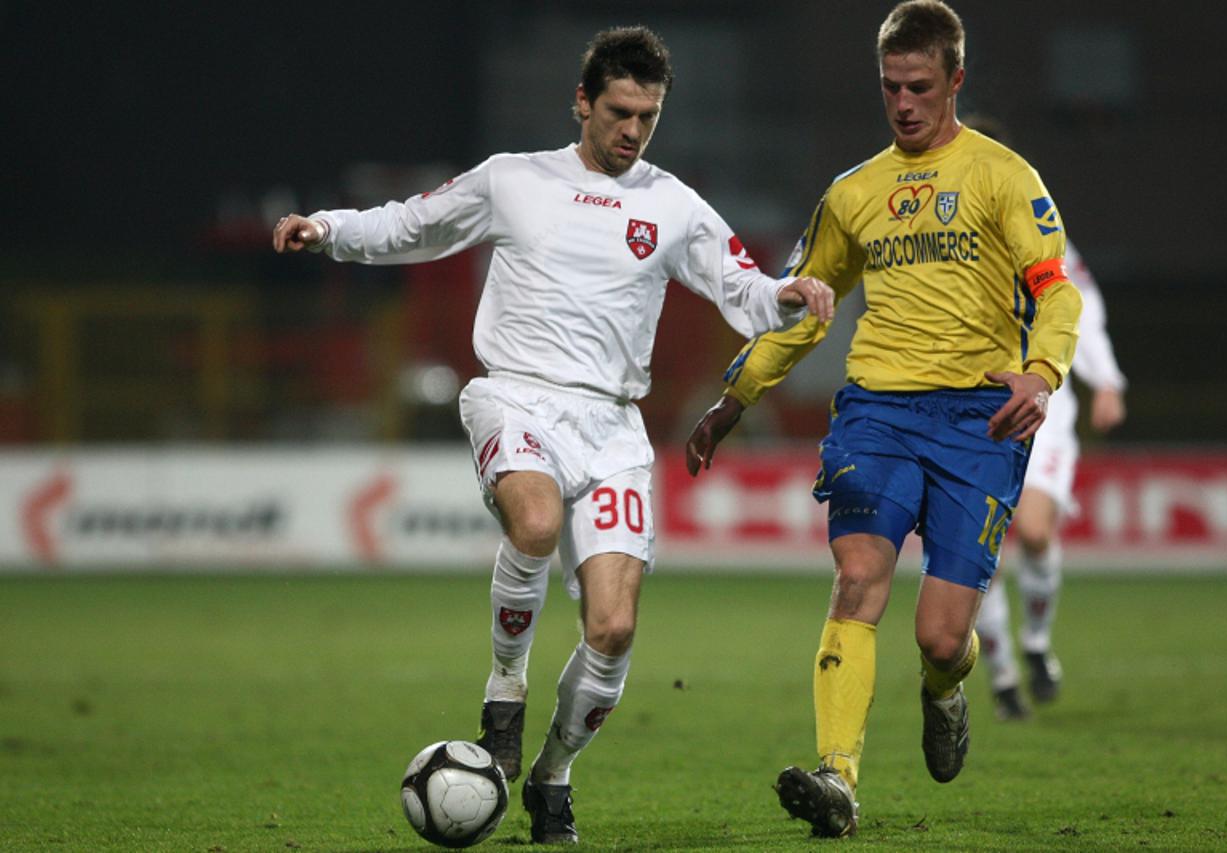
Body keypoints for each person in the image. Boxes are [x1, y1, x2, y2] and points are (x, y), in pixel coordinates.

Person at [274, 26, 833, 846]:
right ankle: (505, 691)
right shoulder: (514, 180)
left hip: (612, 427)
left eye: (647, 116)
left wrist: (786, 295)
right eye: (618, 112)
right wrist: (327, 227)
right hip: (517, 398)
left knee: (613, 628)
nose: (632, 130)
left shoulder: (672, 204)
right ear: (581, 102)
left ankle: (552, 776)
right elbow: (414, 224)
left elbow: (741, 287)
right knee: (533, 522)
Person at [685, 1, 1082, 838]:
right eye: (891, 87)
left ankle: (946, 688)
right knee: (859, 576)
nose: (903, 103)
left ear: (955, 81)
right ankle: (838, 776)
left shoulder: (1005, 176)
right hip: (878, 412)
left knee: (940, 637)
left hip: (979, 419)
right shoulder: (854, 192)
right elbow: (804, 310)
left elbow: (1057, 291)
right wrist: (737, 395)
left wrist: (1043, 373)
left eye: (920, 87)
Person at [960, 114, 1127, 719]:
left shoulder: (1038, 227)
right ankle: (1003, 678)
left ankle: (1034, 642)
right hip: (968, 405)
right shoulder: (943, 237)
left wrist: (1105, 380)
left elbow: (1078, 305)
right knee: (980, 552)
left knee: (1033, 531)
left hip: (1042, 404)